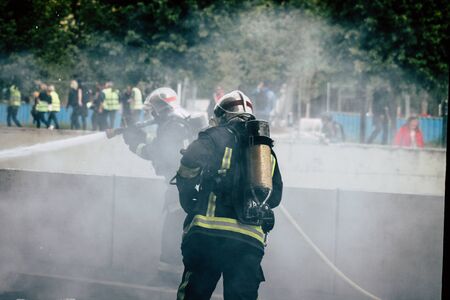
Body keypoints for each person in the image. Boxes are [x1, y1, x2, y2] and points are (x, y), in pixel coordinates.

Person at [174, 90, 283, 300]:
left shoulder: (213, 137)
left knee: (193, 294)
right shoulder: (265, 150)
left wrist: (188, 195)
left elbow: (189, 163)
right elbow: (275, 197)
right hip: (249, 241)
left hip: (208, 234)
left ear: (223, 116)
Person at [122, 87, 196, 287]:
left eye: (153, 110)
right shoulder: (178, 123)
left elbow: (159, 152)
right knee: (175, 229)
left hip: (180, 187)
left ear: (162, 108)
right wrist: (141, 136)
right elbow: (163, 144)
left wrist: (134, 144)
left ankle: (168, 278)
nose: (151, 114)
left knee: (172, 231)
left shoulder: (173, 125)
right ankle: (173, 276)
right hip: (183, 185)